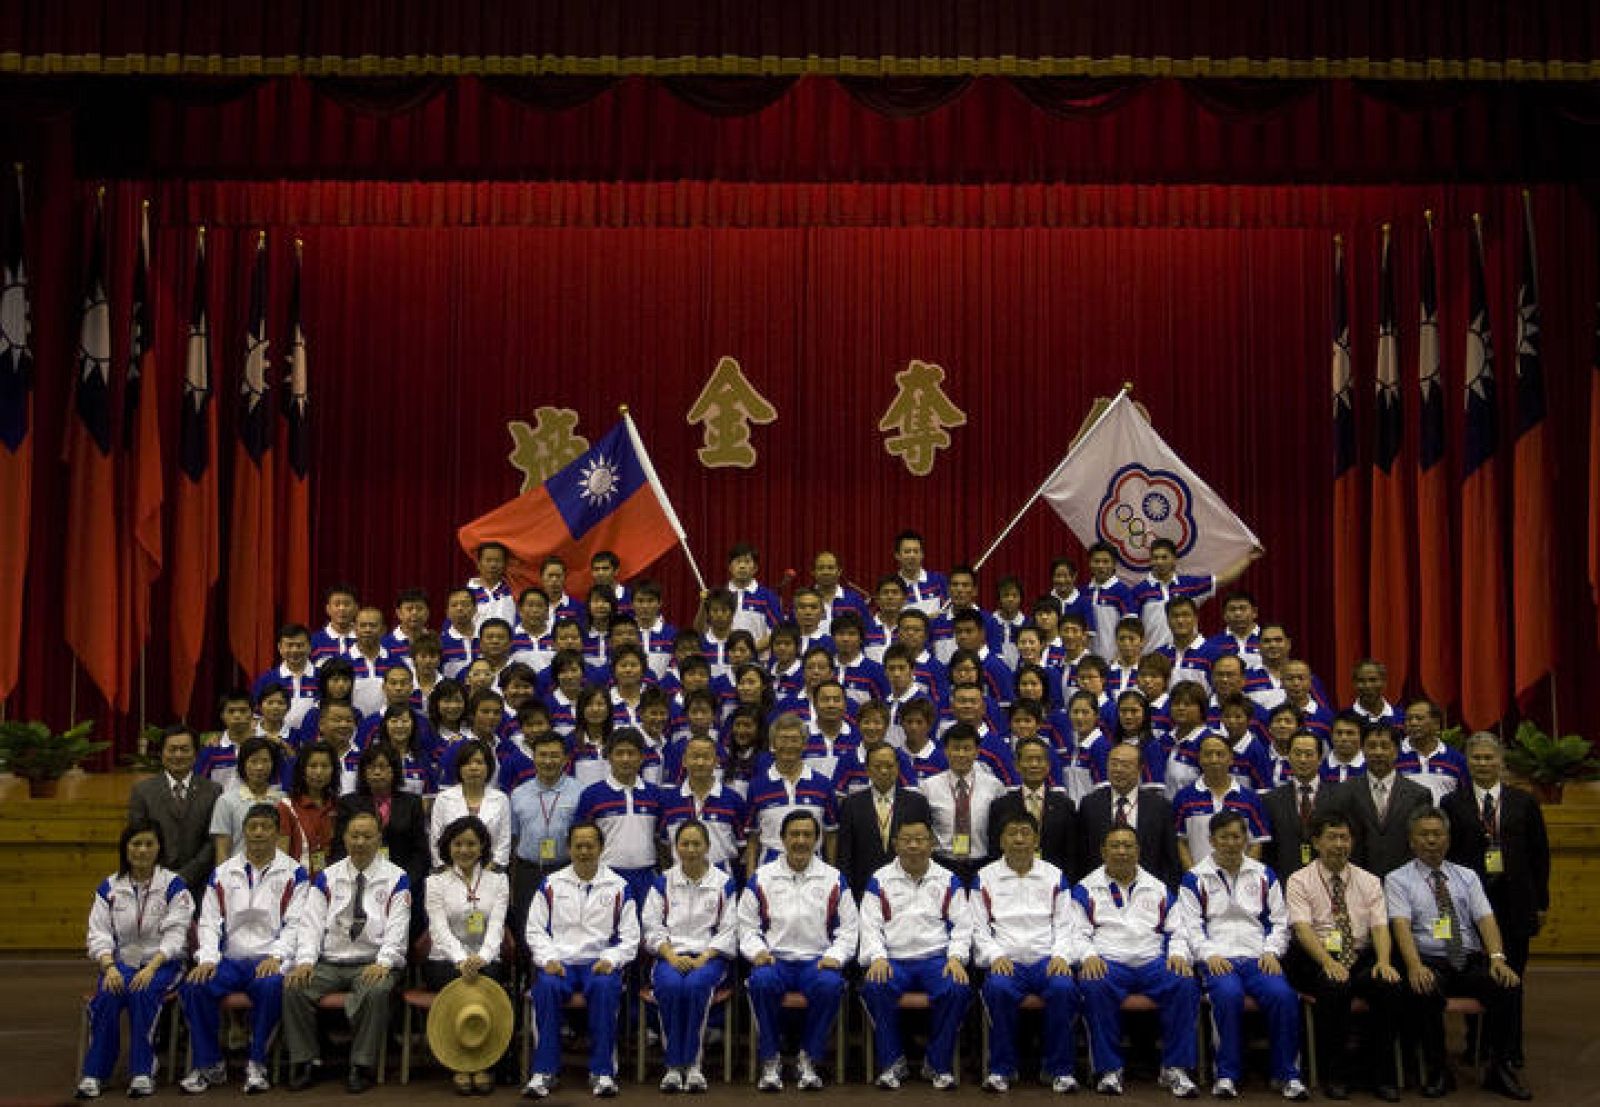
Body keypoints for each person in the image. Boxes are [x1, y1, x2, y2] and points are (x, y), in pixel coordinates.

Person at [1384, 808, 1530, 1100]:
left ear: (1448, 839)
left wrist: (1498, 959)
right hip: (1429, 959)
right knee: (1424, 990)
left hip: (1466, 958)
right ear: (1411, 841)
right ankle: (1438, 1069)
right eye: (1424, 835)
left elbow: (1485, 919)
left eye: (1437, 834)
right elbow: (1400, 926)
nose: (1431, 841)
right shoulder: (1397, 879)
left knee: (1508, 986)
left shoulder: (1467, 876)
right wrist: (1413, 966)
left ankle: (1499, 1068)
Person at [1174, 810, 1308, 1100]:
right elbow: (1191, 926)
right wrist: (1208, 954)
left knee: (1283, 995)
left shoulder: (1263, 874)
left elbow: (1280, 921)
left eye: (1237, 836)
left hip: (1258, 957)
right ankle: (1226, 1074)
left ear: (1246, 839)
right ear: (1211, 840)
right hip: (1218, 958)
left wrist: (1273, 951)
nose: (1231, 843)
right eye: (1224, 837)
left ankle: (1287, 1075)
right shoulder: (1194, 878)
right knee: (1228, 995)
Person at [180, 803, 306, 1095]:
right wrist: (208, 959)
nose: (259, 833)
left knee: (273, 986)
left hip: (269, 959)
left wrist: (277, 956)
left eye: (266, 827)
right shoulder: (223, 873)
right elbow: (209, 922)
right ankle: (208, 1064)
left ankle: (257, 1064)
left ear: (277, 833)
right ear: (243, 832)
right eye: (253, 827)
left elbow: (296, 923)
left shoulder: (294, 874)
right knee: (195, 986)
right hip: (230, 959)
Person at [1441, 732, 1550, 1070]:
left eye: (1489, 758)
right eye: (1476, 758)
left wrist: (1541, 903)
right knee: (1476, 973)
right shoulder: (1452, 804)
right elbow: (1447, 858)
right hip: (1472, 905)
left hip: (1516, 903)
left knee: (1512, 977)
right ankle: (1478, 1043)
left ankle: (1510, 1047)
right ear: (1467, 763)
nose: (1483, 764)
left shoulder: (1523, 802)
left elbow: (1539, 855)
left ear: (1501, 762)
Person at [282, 812, 410, 1094]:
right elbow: (311, 924)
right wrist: (304, 961)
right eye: (355, 836)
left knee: (375, 991)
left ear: (379, 839)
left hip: (372, 960)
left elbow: (398, 928)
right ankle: (307, 1061)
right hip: (331, 961)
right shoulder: (327, 877)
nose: (360, 842)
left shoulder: (396, 878)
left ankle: (360, 1065)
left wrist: (385, 962)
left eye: (367, 836)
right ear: (344, 838)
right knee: (293, 987)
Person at [1072, 824, 1201, 1099]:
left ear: (1138, 851)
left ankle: (1175, 1068)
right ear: (1103, 851)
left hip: (1152, 961)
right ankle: (1108, 1070)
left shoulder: (1158, 888)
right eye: (1115, 846)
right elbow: (1077, 932)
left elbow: (1178, 930)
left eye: (1128, 846)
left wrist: (1178, 953)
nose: (1121, 851)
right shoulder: (1085, 889)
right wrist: (1089, 956)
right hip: (1108, 961)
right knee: (1093, 984)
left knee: (1184, 983)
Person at [1283, 813, 1403, 1101]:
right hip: (1316, 957)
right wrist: (1328, 962)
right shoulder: (1299, 880)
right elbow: (1302, 929)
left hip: (1360, 955)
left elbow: (1379, 927)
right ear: (1316, 842)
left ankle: (1382, 1076)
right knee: (1335, 987)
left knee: (1387, 985)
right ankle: (1336, 1074)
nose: (1339, 844)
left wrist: (1384, 961)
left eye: (1345, 838)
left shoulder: (1369, 881)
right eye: (1332, 838)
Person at [739, 810, 859, 1092]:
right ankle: (770, 1060)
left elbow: (849, 929)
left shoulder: (833, 878)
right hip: (775, 959)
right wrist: (756, 951)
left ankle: (809, 1059)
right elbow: (746, 925)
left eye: (807, 835)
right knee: (761, 981)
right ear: (782, 839)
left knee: (831, 985)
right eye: (794, 834)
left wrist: (836, 956)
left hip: (816, 962)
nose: (801, 841)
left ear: (817, 840)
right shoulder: (762, 877)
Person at [75, 821, 194, 1100]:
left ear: (159, 849)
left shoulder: (174, 886)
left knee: (142, 991)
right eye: (136, 844)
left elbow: (177, 936)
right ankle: (95, 1073)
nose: (142, 850)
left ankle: (142, 1071)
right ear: (125, 849)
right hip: (121, 965)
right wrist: (109, 967)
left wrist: (152, 967)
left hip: (163, 963)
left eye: (149, 844)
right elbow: (98, 934)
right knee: (107, 994)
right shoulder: (109, 887)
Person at [523, 821, 640, 1099]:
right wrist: (547, 958)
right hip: (560, 961)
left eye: (590, 845)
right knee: (546, 987)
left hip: (598, 963)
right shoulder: (551, 884)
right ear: (569, 848)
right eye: (578, 846)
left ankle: (602, 1072)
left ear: (601, 848)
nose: (584, 851)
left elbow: (630, 937)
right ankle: (544, 1071)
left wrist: (611, 959)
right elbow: (535, 929)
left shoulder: (619, 886)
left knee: (604, 988)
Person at [969, 811, 1081, 1093]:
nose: (1019, 839)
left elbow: (1066, 924)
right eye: (1012, 833)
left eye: (1025, 833)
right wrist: (995, 956)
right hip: (1006, 960)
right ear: (1001, 841)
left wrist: (1060, 956)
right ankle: (1001, 1070)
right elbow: (978, 928)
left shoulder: (1054, 876)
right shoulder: (985, 878)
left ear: (1036, 839)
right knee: (999, 990)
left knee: (1064, 989)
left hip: (1046, 959)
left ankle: (1059, 1070)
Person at [857, 816, 972, 1089]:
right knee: (875, 985)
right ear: (895, 844)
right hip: (894, 960)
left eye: (920, 840)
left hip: (936, 960)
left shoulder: (948, 880)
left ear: (931, 844)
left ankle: (937, 1064)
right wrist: (877, 957)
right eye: (906, 840)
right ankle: (892, 1063)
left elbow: (962, 926)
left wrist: (956, 958)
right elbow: (869, 925)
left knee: (957, 988)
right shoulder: (879, 880)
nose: (913, 846)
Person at [642, 821, 741, 1093]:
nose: (691, 849)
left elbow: (729, 929)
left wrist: (705, 957)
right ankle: (673, 1067)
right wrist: (670, 955)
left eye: (697, 843)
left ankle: (694, 1066)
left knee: (696, 987)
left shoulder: (724, 884)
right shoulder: (662, 882)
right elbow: (651, 926)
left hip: (709, 958)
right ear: (676, 848)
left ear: (708, 847)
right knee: (672, 987)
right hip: (669, 956)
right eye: (684, 843)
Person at [425, 815, 514, 1094]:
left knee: (490, 979)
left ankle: (485, 1061)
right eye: (458, 844)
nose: (464, 850)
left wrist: (483, 956)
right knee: (460, 982)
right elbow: (438, 929)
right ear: (448, 847)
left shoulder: (498, 881)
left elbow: (497, 926)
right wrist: (461, 959)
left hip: (486, 958)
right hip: (445, 959)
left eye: (471, 844)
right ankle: (461, 1064)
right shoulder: (435, 883)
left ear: (483, 847)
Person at [1316, 723, 1432, 877]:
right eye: (1371, 746)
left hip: (1405, 882)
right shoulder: (1342, 792)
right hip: (1354, 880)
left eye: (1384, 746)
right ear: (1362, 750)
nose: (1378, 752)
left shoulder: (1418, 795)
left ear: (1396, 751)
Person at [333, 745, 431, 918]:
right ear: (363, 772)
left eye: (383, 767)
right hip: (358, 880)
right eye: (371, 767)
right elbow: (340, 848)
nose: (377, 772)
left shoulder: (412, 803)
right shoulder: (348, 803)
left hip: (403, 882)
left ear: (394, 771)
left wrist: (404, 881)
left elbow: (420, 852)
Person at [127, 725, 224, 898]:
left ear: (195, 753)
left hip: (200, 886)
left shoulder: (213, 791)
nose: (178, 755)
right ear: (162, 753)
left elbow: (213, 841)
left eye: (184, 749)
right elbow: (138, 837)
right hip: (154, 885)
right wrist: (162, 877)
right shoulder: (143, 791)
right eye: (172, 749)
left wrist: (185, 876)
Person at [507, 732, 583, 947]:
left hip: (566, 868)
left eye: (554, 755)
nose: (548, 761)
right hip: (528, 870)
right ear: (533, 757)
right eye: (542, 755)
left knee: (564, 926)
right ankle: (526, 976)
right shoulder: (518, 794)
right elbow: (513, 840)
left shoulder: (579, 792)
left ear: (566, 759)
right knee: (526, 925)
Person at [1078, 741, 1183, 887]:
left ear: (1140, 769)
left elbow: (1169, 858)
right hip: (1100, 891)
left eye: (1126, 765)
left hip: (1148, 891)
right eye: (1114, 764)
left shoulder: (1159, 807)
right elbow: (1081, 856)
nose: (1118, 770)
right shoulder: (1090, 804)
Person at [835, 742, 932, 898]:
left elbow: (926, 849)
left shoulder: (917, 803)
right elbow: (845, 856)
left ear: (898, 767)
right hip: (863, 888)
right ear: (867, 769)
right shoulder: (851, 804)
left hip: (908, 888)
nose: (884, 771)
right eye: (877, 766)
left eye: (889, 765)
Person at [923, 723, 1005, 885]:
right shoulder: (928, 787)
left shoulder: (995, 786)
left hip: (983, 864)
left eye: (967, 748)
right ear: (946, 751)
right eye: (955, 748)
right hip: (943, 864)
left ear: (977, 752)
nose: (961, 754)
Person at [987, 735, 1078, 871]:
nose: (1034, 765)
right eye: (1029, 759)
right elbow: (995, 851)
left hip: (1053, 881)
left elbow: (1072, 854)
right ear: (1017, 765)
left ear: (1048, 766)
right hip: (1010, 879)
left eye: (1039, 760)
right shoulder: (1001, 806)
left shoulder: (1065, 805)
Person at [429, 739, 512, 870]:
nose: (473, 768)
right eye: (467, 763)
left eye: (479, 762)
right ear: (459, 768)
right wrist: (450, 871)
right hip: (450, 873)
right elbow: (435, 839)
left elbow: (504, 842)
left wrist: (485, 873)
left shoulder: (501, 799)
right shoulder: (443, 798)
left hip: (490, 873)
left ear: (489, 767)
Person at [208, 736, 286, 863]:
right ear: (243, 764)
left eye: (265, 761)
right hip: (238, 876)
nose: (260, 767)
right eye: (253, 761)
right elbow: (222, 850)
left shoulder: (283, 800)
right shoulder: (226, 801)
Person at [1262, 730, 1328, 879]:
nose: (1303, 760)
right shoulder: (1271, 800)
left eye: (1309, 754)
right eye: (1297, 753)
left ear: (1320, 758)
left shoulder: (1337, 797)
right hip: (1284, 880)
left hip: (1325, 881)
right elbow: (1268, 852)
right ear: (1289, 757)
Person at [278, 740, 339, 876]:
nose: (319, 772)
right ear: (302, 770)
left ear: (333, 770)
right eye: (312, 766)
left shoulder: (339, 806)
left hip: (332, 885)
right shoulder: (287, 806)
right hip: (298, 885)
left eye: (325, 766)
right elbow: (281, 857)